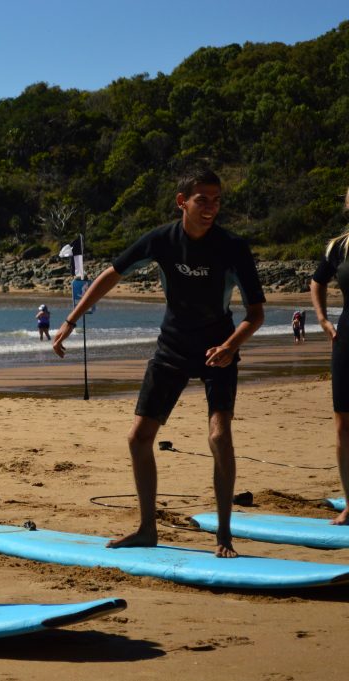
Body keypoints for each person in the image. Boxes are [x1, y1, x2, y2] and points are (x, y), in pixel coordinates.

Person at [52, 168, 265, 558]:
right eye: (203, 199)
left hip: (219, 346)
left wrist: (232, 346)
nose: (211, 207)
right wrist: (69, 322)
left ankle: (224, 535)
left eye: (217, 200)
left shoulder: (232, 246)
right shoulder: (162, 240)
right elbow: (109, 276)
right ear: (182, 202)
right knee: (138, 438)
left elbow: (256, 312)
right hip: (173, 345)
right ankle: (147, 528)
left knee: (219, 436)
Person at [308, 185, 349, 525]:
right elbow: (316, 281)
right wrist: (321, 319)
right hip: (346, 339)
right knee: (343, 424)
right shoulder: (339, 247)